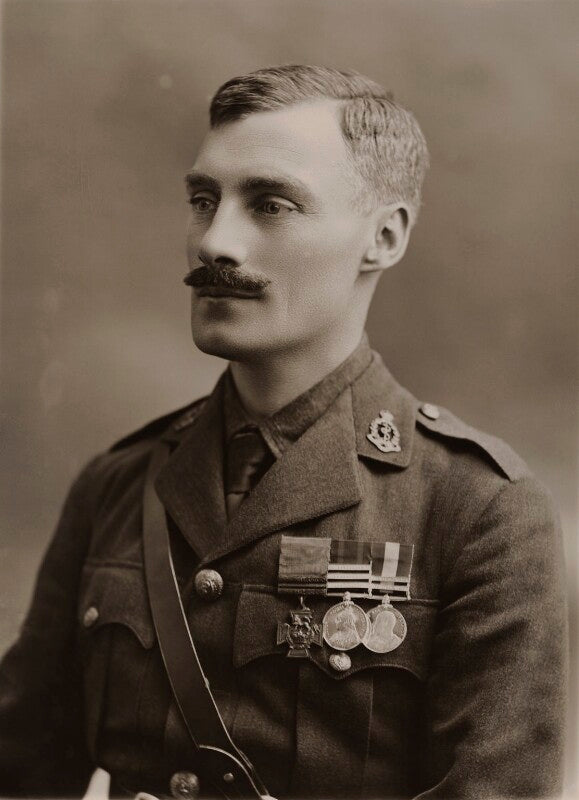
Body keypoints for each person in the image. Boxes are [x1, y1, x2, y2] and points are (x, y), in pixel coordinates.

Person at [0, 65, 567, 800]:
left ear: (383, 237)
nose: (215, 242)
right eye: (203, 201)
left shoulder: (478, 512)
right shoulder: (119, 483)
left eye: (270, 204)